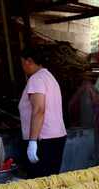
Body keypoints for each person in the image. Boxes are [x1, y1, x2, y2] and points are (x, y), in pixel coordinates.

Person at [19, 48, 67, 178]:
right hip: (56, 137)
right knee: (50, 181)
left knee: (39, 183)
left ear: (29, 61)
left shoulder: (36, 79)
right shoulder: (49, 77)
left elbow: (39, 109)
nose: (23, 67)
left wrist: (32, 142)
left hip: (43, 140)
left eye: (22, 63)